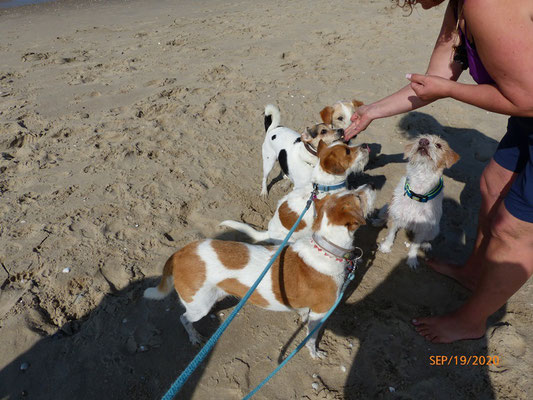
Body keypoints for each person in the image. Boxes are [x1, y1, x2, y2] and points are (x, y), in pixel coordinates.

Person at [344, 0, 533, 343]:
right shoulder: (460, 6)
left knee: (514, 228)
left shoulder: (485, 4)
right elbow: (435, 79)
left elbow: (525, 97)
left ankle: (472, 321)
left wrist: (451, 91)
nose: (410, 2)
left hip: (529, 105)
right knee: (492, 186)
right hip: (528, 120)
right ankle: (475, 273)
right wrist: (372, 111)